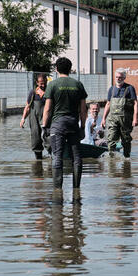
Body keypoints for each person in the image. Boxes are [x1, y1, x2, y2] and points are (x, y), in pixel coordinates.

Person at [41, 57, 88, 195]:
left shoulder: (53, 85)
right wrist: (83, 126)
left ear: (56, 69)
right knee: (77, 157)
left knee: (57, 156)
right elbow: (83, 110)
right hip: (73, 124)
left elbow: (47, 109)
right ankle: (76, 189)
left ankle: (57, 190)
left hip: (57, 126)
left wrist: (44, 126)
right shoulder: (78, 85)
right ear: (70, 69)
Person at [102, 68, 138, 158]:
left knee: (126, 140)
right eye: (117, 77)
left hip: (125, 120)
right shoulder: (111, 89)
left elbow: (135, 103)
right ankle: (112, 159)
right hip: (113, 119)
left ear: (124, 78)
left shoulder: (130, 88)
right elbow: (108, 104)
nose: (118, 79)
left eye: (120, 77)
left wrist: (135, 118)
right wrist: (103, 118)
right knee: (111, 139)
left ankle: (127, 158)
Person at [20, 73, 50, 159]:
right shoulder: (32, 93)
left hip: (47, 118)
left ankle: (52, 158)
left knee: (49, 138)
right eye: (41, 83)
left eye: (44, 83)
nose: (43, 85)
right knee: (35, 137)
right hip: (34, 119)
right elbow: (27, 107)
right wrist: (23, 119)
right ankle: (38, 159)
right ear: (37, 82)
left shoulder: (49, 92)